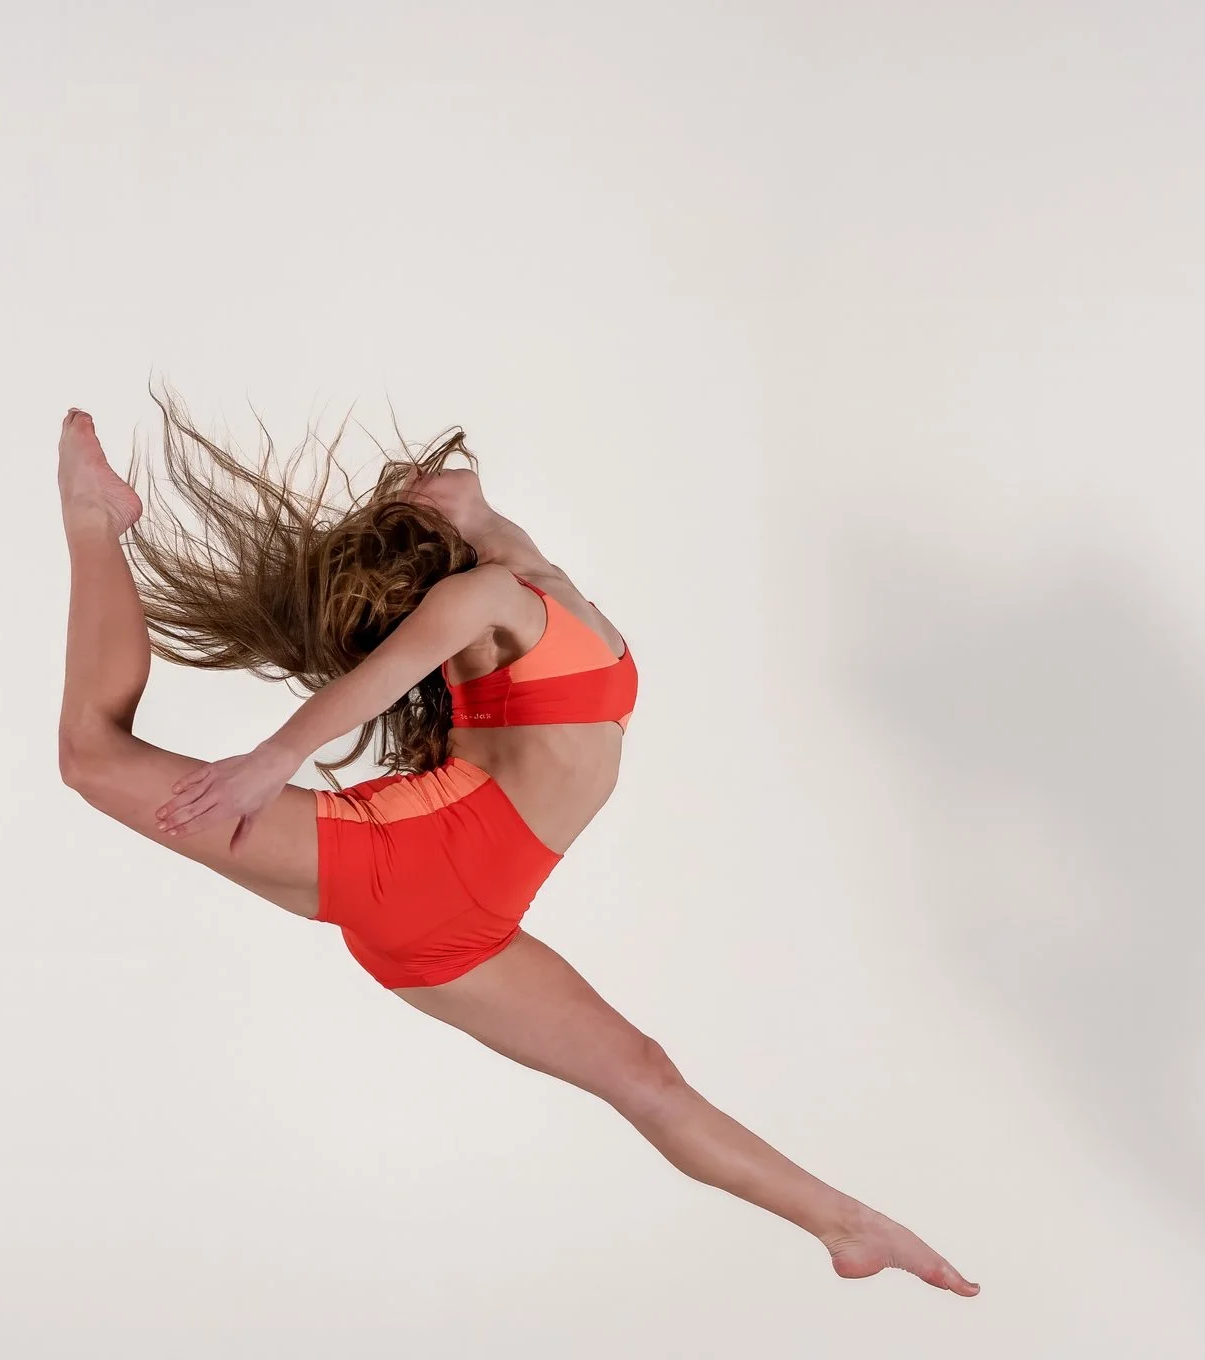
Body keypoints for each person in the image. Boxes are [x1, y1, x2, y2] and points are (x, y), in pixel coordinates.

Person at [53, 396, 977, 1296]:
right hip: (412, 870)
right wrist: (274, 759)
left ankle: (848, 1225)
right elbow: (384, 676)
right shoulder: (495, 587)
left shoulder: (514, 563)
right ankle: (95, 517)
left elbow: (460, 501)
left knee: (646, 1076)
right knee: (94, 760)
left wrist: (465, 503)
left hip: (463, 928)